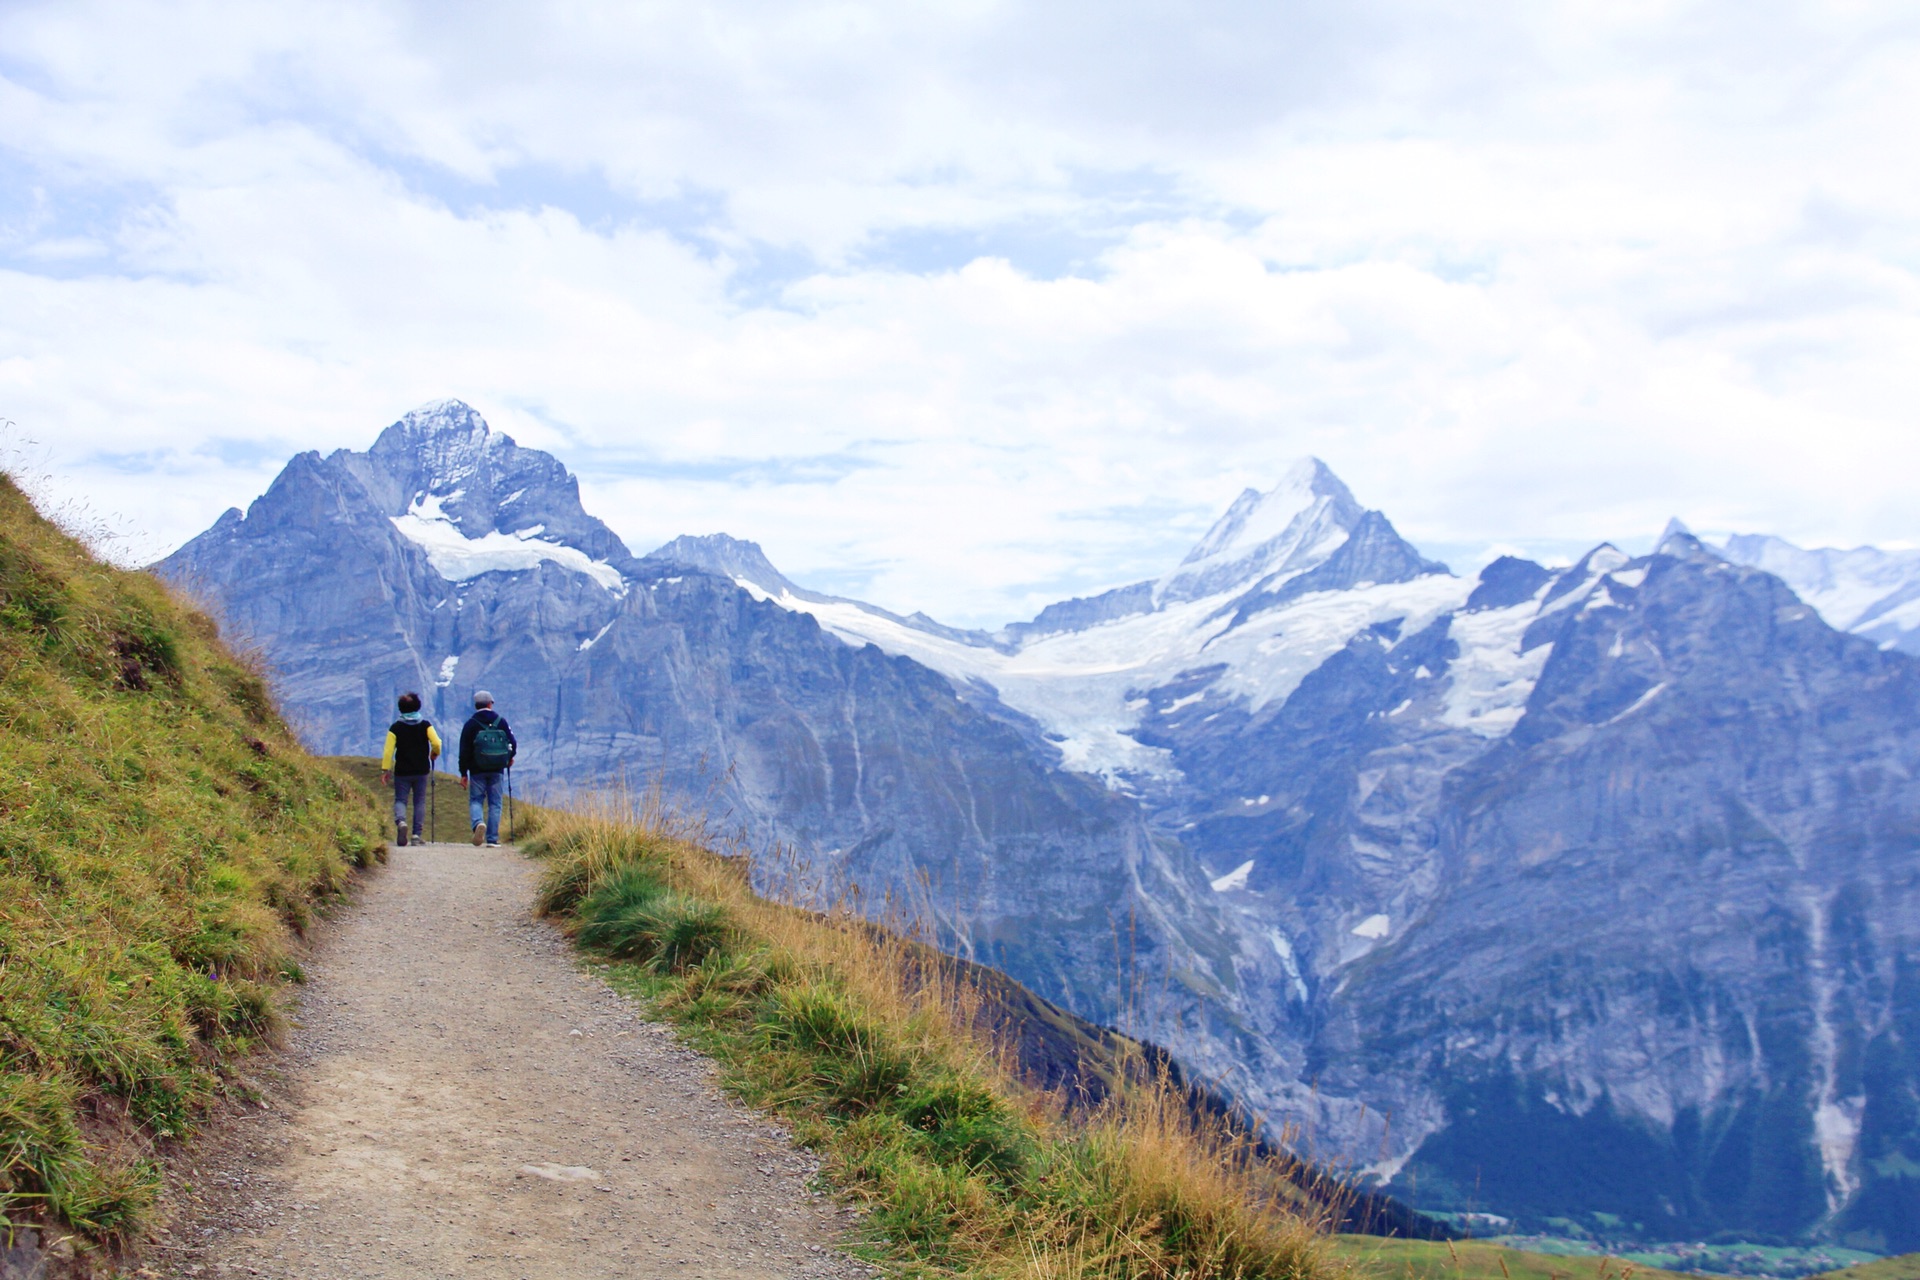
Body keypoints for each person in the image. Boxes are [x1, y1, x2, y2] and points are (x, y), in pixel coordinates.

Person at [380, 692, 441, 847]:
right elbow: (437, 743)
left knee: (401, 799)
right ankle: (416, 835)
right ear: (418, 706)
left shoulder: (396, 727)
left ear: (400, 709)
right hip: (421, 769)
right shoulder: (425, 725)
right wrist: (434, 753)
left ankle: (401, 822)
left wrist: (385, 770)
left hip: (402, 770)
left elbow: (388, 751)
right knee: (419, 801)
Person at [458, 690, 518, 847]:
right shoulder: (501, 721)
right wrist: (509, 758)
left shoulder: (471, 724)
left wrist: (463, 773)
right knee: (495, 803)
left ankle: (478, 823)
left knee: (476, 799)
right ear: (490, 703)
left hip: (477, 770)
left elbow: (464, 750)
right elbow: (512, 742)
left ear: (476, 705)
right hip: (497, 768)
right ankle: (492, 839)